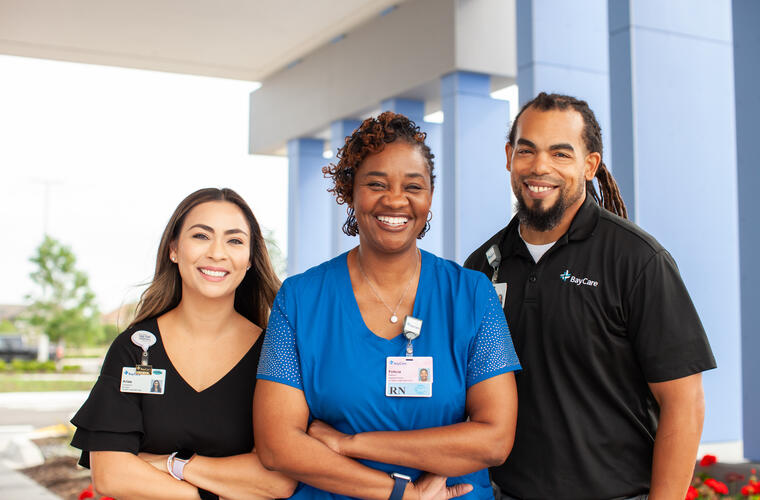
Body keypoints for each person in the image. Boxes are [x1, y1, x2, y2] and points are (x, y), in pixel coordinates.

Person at [254, 112, 521, 500]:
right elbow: (277, 444)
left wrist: (351, 444)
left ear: (429, 196)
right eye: (376, 184)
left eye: (413, 186)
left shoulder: (472, 295)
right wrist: (400, 494)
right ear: (350, 191)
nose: (396, 200)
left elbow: (494, 441)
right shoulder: (299, 299)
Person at [464, 93, 717, 500]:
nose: (539, 167)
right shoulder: (481, 267)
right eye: (526, 150)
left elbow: (684, 402)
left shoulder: (637, 260)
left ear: (589, 165)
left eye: (560, 154)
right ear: (509, 156)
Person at [70, 188, 295, 500]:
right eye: (201, 236)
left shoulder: (274, 353)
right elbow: (111, 476)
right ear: (174, 249)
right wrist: (211, 494)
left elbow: (275, 481)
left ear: (249, 260)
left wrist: (172, 465)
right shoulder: (134, 349)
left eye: (235, 240)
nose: (217, 252)